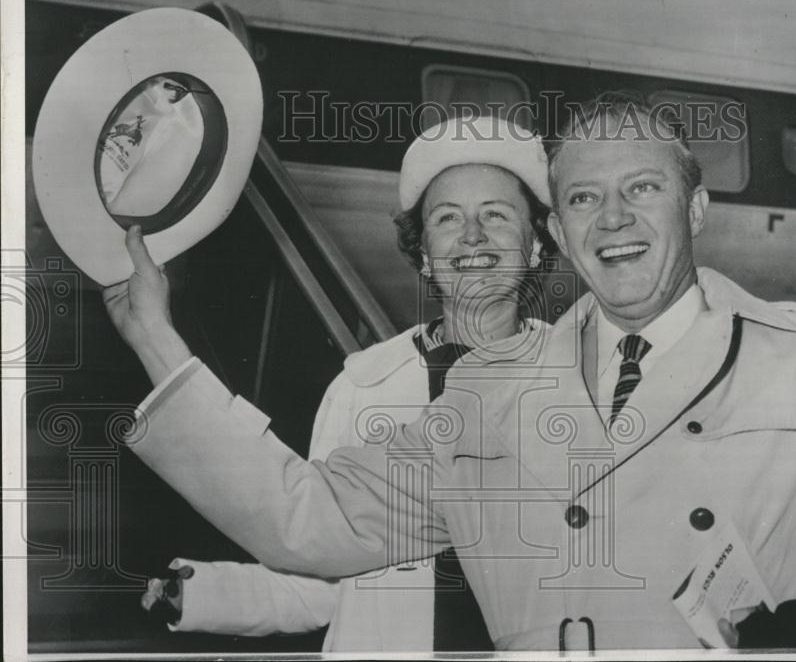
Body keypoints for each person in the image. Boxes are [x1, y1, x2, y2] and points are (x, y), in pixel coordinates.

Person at [108, 94, 796, 651]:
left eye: (642, 189)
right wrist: (153, 335)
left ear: (695, 210)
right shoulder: (488, 390)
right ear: (562, 228)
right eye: (584, 197)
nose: (612, 218)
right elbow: (307, 519)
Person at [120, 115, 557, 652]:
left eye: (496, 214)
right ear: (423, 253)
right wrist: (206, 594)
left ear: (537, 243)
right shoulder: (365, 386)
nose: (472, 235)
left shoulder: (582, 378)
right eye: (447, 219)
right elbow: (323, 563)